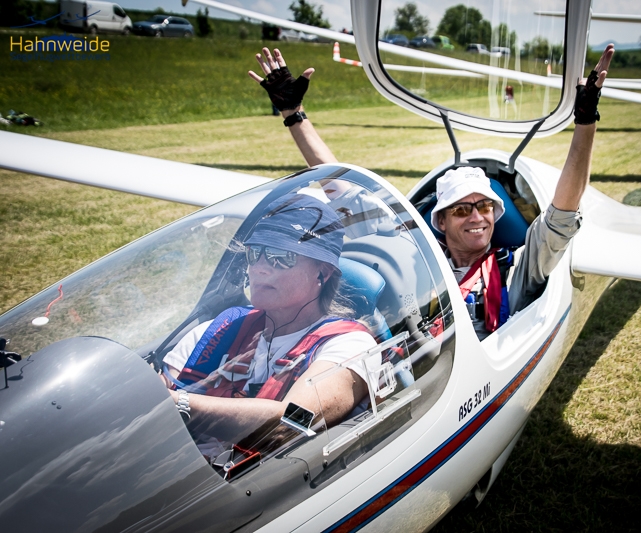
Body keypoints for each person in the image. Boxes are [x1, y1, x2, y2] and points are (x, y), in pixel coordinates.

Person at [248, 44, 615, 340]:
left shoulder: (516, 269)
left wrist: (585, 119)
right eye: (462, 209)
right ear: (440, 221)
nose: (477, 216)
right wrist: (294, 113)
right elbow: (341, 188)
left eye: (485, 206)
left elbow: (561, 214)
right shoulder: (414, 257)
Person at [161, 194, 378, 452]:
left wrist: (177, 405)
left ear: (322, 272)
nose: (260, 268)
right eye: (255, 253)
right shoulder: (219, 328)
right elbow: (158, 392)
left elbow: (292, 423)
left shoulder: (350, 345)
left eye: (280, 256)